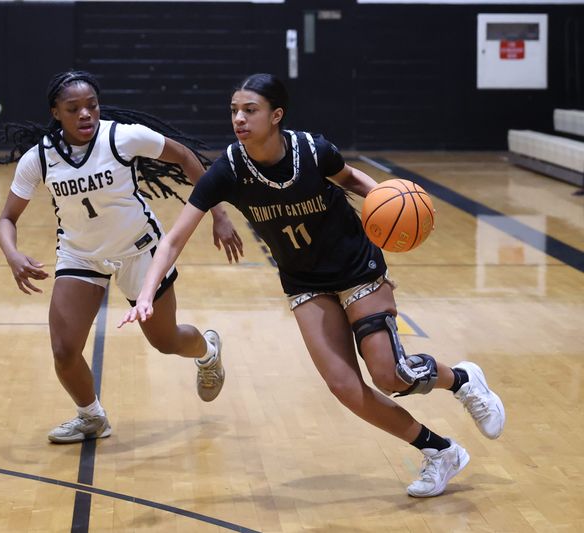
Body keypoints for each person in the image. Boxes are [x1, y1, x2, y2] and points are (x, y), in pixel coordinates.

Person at [119, 73, 505, 497]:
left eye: (250, 110)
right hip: (304, 282)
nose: (239, 119)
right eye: (234, 110)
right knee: (344, 386)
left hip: (356, 268)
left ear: (276, 114)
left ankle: (463, 380)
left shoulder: (313, 150)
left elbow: (355, 181)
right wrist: (147, 293)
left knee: (390, 375)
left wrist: (395, 204)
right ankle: (441, 452)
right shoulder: (227, 170)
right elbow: (174, 238)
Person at [0, 70, 243, 444]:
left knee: (166, 341)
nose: (85, 114)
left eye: (91, 105)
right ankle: (91, 416)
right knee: (63, 350)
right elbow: (7, 219)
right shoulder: (38, 159)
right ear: (55, 112)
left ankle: (207, 350)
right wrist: (12, 255)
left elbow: (186, 157)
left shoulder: (122, 137)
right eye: (73, 108)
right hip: (81, 255)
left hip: (140, 250)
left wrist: (218, 215)